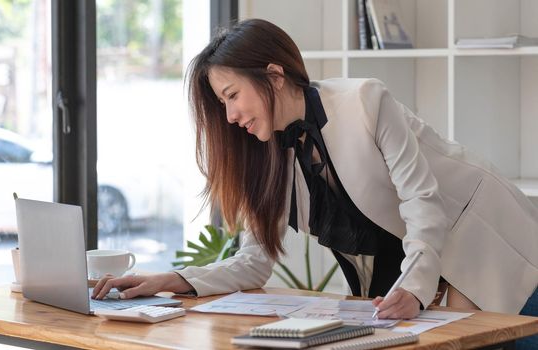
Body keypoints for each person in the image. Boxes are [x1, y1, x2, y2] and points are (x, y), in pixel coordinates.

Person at [92, 18, 538, 347]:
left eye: (232, 96)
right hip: (414, 273)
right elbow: (253, 262)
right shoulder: (269, 153)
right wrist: (173, 280)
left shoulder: (365, 102)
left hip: (485, 241)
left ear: (273, 75)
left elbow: (423, 201)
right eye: (221, 103)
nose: (229, 116)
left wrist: (414, 289)